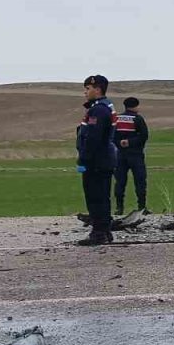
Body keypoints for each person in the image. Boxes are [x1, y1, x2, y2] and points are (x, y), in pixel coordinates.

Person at [77, 75, 118, 245]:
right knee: (102, 195)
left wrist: (83, 160)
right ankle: (105, 231)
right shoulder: (104, 106)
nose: (85, 92)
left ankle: (99, 232)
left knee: (95, 196)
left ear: (97, 89)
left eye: (88, 89)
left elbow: (93, 138)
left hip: (97, 161)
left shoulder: (98, 110)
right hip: (104, 159)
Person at [113, 96, 150, 215]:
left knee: (120, 182)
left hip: (120, 155)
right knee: (140, 181)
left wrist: (120, 143)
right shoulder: (138, 119)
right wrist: (130, 142)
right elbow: (144, 135)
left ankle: (119, 208)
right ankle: (142, 207)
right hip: (135, 155)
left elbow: (112, 136)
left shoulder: (117, 119)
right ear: (136, 106)